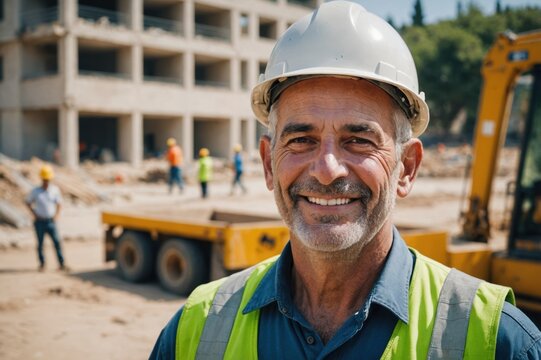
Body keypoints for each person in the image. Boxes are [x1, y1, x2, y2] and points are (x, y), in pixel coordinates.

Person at [150, 1, 541, 359]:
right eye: (302, 140)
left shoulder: (499, 342)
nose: (327, 169)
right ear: (269, 164)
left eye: (359, 140)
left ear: (407, 167)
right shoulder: (195, 329)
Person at [26, 165, 67, 272]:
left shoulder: (54, 190)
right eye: (45, 180)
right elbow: (28, 202)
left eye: (48, 180)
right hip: (39, 222)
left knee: (57, 242)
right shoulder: (36, 191)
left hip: (51, 221)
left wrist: (56, 215)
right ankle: (42, 264)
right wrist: (34, 213)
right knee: (40, 244)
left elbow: (59, 204)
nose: (46, 182)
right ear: (42, 179)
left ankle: (61, 263)